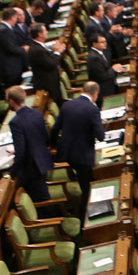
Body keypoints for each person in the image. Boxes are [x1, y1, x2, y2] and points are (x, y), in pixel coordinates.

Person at [50, 81, 105, 219]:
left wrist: (53, 146)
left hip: (66, 152)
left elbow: (55, 129)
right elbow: (101, 136)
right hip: (82, 155)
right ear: (95, 94)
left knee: (79, 176)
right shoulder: (93, 109)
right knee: (86, 186)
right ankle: (84, 218)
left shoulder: (67, 104)